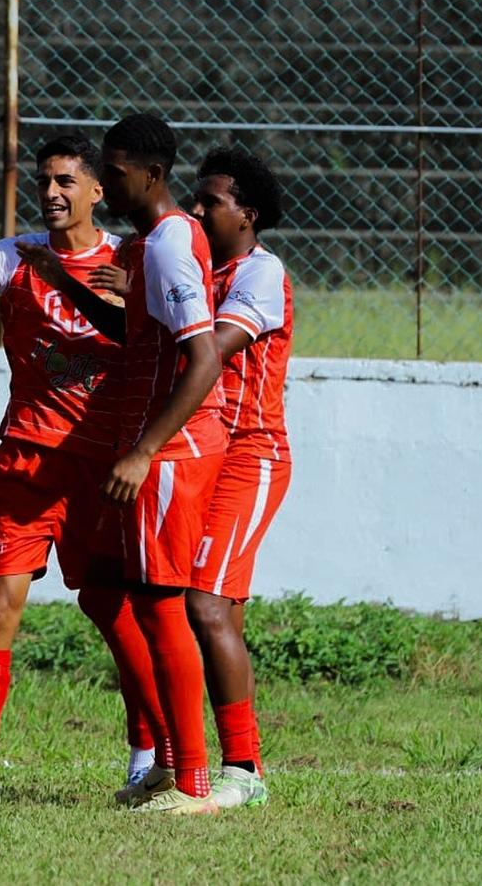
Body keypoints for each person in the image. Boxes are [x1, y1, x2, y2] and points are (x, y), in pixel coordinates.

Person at [19, 113, 226, 814]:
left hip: (169, 451)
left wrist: (145, 451)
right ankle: (168, 765)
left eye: (113, 169)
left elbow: (202, 357)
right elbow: (132, 332)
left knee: (163, 604)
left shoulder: (168, 246)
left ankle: (192, 780)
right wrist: (64, 282)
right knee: (119, 592)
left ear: (152, 174)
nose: (104, 180)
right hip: (149, 446)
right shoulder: (153, 247)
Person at [0, 135, 126, 798]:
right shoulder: (14, 254)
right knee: (0, 607)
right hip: (28, 459)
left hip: (105, 468)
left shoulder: (129, 260)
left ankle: (148, 754)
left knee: (116, 611)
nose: (52, 193)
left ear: (97, 190)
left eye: (66, 181)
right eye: (43, 182)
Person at [187, 145, 292, 809]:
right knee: (205, 605)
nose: (198, 211)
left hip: (252, 455)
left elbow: (210, 348)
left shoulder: (261, 272)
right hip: (205, 454)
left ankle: (244, 769)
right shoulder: (201, 271)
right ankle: (182, 759)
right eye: (194, 199)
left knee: (203, 602)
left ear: (247, 214)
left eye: (212, 202)